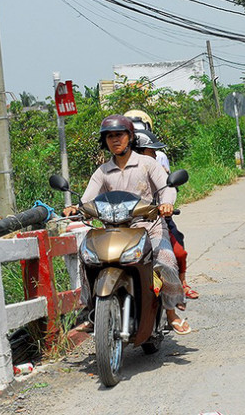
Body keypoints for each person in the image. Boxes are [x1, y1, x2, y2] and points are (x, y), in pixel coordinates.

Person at [64, 115, 191, 334]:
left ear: (130, 137)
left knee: (166, 260)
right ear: (105, 141)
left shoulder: (147, 164)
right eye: (110, 136)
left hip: (149, 225)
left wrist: (166, 204)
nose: (115, 140)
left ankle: (171, 312)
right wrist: (76, 209)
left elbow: (167, 187)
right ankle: (91, 309)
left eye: (119, 135)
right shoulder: (102, 172)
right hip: (114, 228)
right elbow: (87, 199)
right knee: (87, 259)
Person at [134, 129, 199, 300]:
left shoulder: (157, 169)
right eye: (151, 151)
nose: (155, 155)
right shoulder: (119, 171)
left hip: (156, 221)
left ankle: (182, 284)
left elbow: (169, 188)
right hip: (128, 225)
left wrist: (166, 204)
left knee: (178, 253)